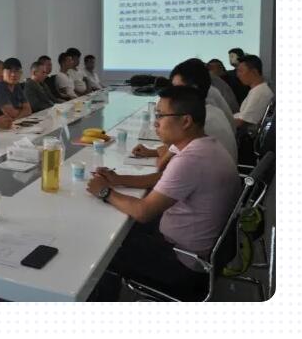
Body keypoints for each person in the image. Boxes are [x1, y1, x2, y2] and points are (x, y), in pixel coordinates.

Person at [87, 86, 240, 301]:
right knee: (118, 227)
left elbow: (144, 212)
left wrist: (104, 191)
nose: (155, 123)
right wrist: (118, 179)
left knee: (100, 249)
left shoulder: (191, 159)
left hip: (182, 264)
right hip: (193, 250)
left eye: (160, 115)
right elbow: (161, 179)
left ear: (185, 121)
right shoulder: (205, 146)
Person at [132, 59, 238, 164]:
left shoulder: (199, 123)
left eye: (178, 89)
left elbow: (163, 165)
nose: (173, 93)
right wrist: (154, 152)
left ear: (193, 88)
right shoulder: (213, 111)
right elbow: (174, 150)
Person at [234, 54, 275, 128]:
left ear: (254, 72)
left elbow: (242, 122)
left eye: (240, 71)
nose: (238, 75)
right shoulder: (257, 90)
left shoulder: (259, 92)